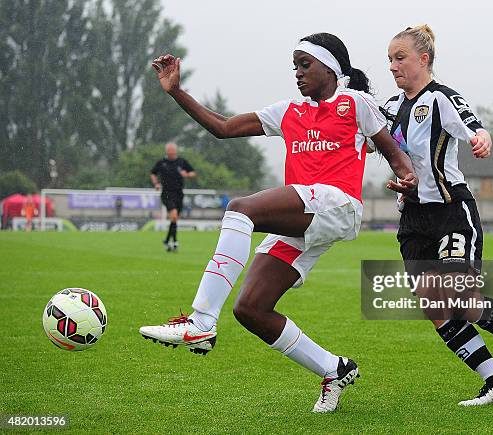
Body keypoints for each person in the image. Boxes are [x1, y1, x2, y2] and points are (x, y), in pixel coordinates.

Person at [139, 33, 417, 412]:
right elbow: (223, 127)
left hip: (338, 204)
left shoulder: (354, 102)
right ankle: (334, 369)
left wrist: (407, 178)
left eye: (306, 65)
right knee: (250, 308)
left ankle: (201, 321)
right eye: (295, 67)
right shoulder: (288, 111)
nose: (298, 74)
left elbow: (394, 153)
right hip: (306, 214)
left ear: (331, 68)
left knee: (240, 209)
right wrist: (176, 91)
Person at [381, 25, 493, 406]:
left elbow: (475, 126)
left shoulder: (442, 98)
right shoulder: (392, 109)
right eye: (389, 60)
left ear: (423, 59)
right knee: (436, 306)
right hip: (412, 220)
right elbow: (371, 137)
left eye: (400, 58)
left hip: (451, 212)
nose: (393, 66)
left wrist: (481, 138)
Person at [150, 143, 196, 252]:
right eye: (169, 152)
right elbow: (152, 173)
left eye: (173, 152)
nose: (171, 154)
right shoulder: (162, 163)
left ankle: (166, 240)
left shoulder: (181, 162)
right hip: (166, 193)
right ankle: (175, 242)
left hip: (179, 193)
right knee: (174, 216)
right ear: (167, 152)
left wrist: (188, 175)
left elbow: (193, 172)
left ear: (176, 151)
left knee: (174, 219)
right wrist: (156, 183)